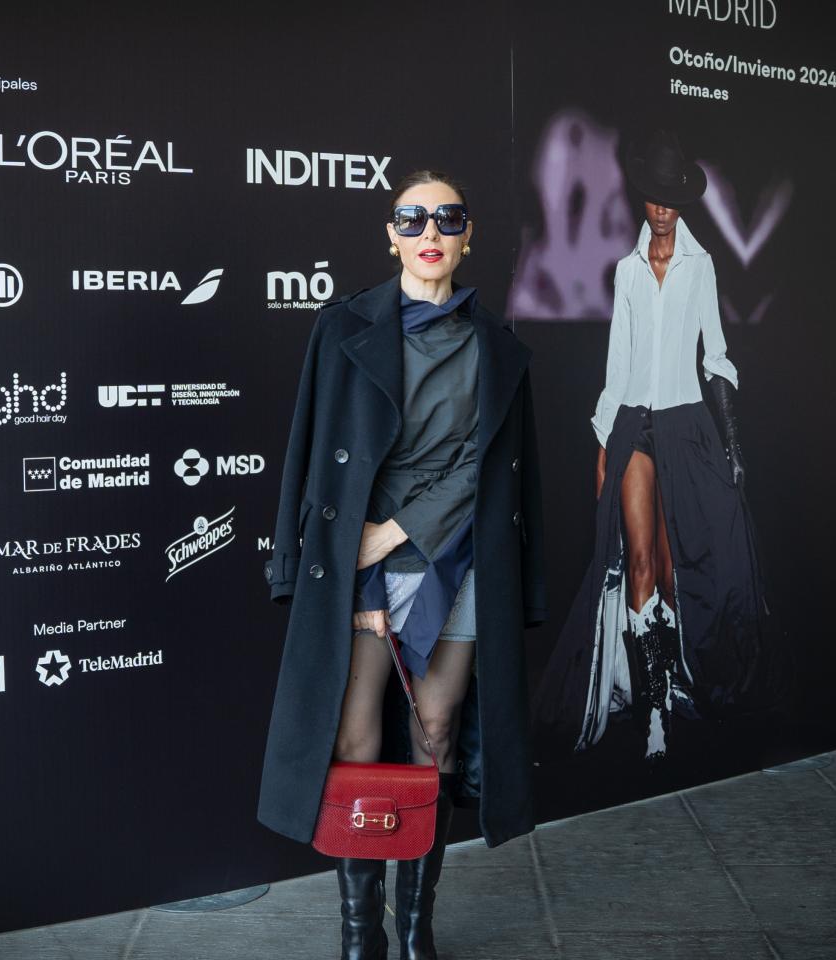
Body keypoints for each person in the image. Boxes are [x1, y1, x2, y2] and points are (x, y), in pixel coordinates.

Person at [258, 170, 547, 960]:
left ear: (467, 234)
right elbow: (311, 456)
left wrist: (396, 534)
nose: (430, 230)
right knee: (353, 741)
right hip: (359, 567)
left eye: (447, 217)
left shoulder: (498, 348)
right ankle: (361, 935)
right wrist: (354, 561)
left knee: (437, 736)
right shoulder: (342, 327)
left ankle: (415, 930)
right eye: (411, 217)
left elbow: (485, 468)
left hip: (458, 564)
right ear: (390, 235)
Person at [535, 129, 778, 761]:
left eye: (672, 197)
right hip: (632, 428)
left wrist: (732, 443)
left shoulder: (702, 267)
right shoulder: (626, 272)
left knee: (679, 571)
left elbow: (717, 355)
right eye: (653, 196)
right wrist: (600, 441)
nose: (662, 207)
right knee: (637, 561)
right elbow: (617, 366)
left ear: (683, 203)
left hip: (688, 424)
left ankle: (676, 685)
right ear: (644, 199)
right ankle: (652, 707)